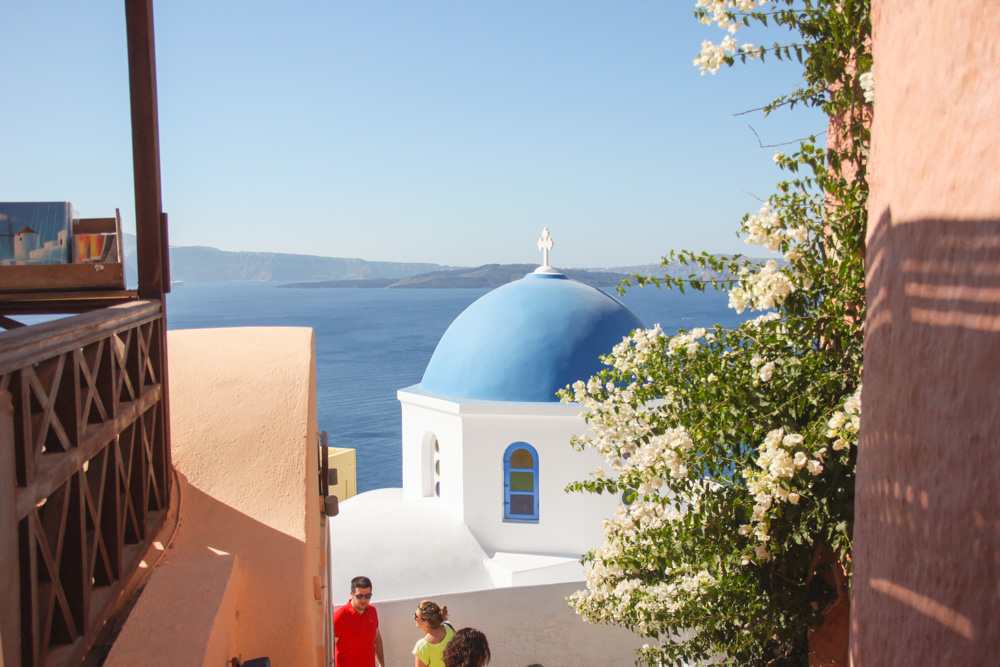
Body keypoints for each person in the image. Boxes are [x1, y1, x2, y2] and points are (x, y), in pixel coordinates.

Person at [333, 576, 385, 667]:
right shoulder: (340, 616)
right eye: (359, 596)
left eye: (367, 596)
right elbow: (329, 649)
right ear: (352, 594)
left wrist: (381, 664)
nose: (364, 600)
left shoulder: (372, 612)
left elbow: (376, 639)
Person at [412, 600, 455, 667]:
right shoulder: (449, 627)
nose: (413, 617)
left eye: (416, 616)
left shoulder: (422, 646)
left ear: (426, 623)